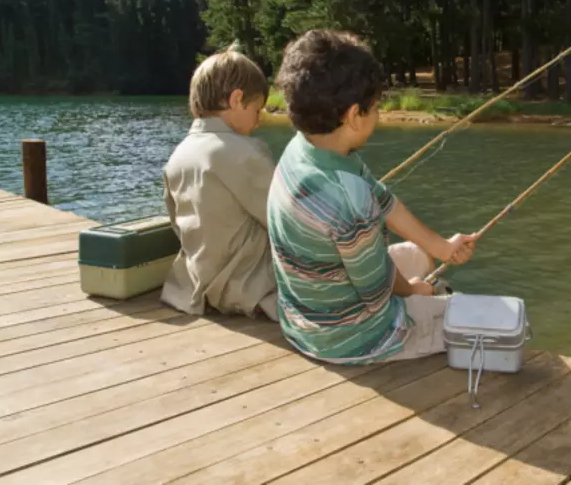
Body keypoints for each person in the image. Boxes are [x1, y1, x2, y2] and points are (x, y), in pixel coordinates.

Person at [267, 29, 477, 365]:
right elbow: (378, 290)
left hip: (304, 319)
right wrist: (415, 291)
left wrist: (442, 248)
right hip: (355, 337)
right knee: (478, 316)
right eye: (376, 107)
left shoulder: (305, 148)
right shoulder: (349, 200)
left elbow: (383, 198)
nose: (378, 115)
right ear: (352, 116)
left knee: (421, 254)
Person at [160, 43, 279, 320]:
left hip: (197, 287)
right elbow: (285, 221)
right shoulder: (246, 152)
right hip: (251, 289)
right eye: (257, 110)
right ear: (237, 99)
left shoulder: (178, 155)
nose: (258, 121)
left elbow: (177, 224)